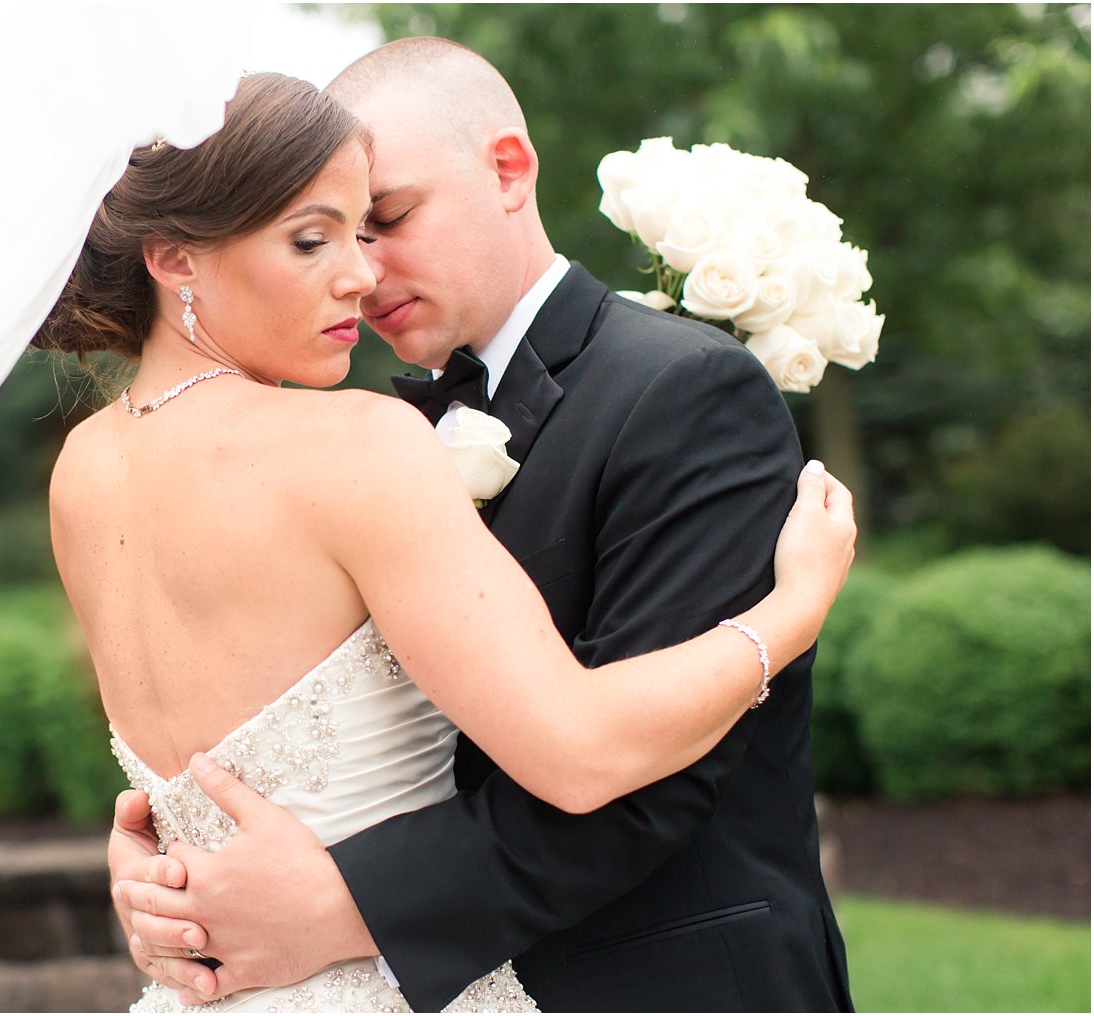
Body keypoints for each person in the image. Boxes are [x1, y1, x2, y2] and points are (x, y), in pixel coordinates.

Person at [47, 71, 853, 1012]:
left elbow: (657, 799)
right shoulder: (352, 440)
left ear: (510, 171)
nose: (363, 271)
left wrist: (189, 881)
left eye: (378, 221)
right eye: (320, 237)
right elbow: (581, 749)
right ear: (175, 258)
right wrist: (792, 612)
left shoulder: (84, 465)